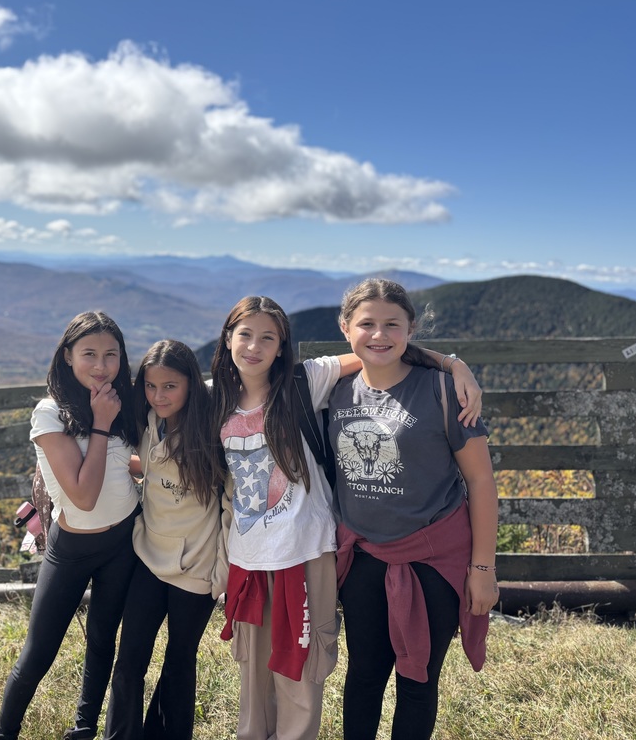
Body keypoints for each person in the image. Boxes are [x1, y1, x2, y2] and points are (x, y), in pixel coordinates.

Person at [209, 295, 481, 740]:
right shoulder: (211, 398)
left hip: (306, 549)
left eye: (268, 338)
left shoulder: (305, 382)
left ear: (283, 346)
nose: (254, 347)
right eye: (244, 335)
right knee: (256, 671)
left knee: (303, 663)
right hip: (250, 556)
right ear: (227, 338)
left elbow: (376, 347)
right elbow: (163, 403)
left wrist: (453, 364)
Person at [329, 279, 499, 740]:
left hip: (433, 559)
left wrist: (482, 567)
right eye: (366, 324)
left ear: (412, 330)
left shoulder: (445, 393)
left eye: (392, 325)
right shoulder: (335, 393)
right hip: (363, 556)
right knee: (363, 674)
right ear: (346, 328)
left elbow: (481, 481)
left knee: (418, 679)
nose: (379, 335)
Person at [0, 311, 141, 740]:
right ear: (68, 356)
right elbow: (83, 495)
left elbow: (115, 463)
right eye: (89, 353)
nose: (101, 365)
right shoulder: (50, 412)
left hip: (123, 540)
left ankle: (84, 729)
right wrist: (102, 423)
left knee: (102, 640)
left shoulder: (120, 401)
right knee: (39, 651)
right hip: (72, 546)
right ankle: (3, 732)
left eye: (111, 354)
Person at [103, 339, 227, 740]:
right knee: (129, 662)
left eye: (170, 386)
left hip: (196, 565)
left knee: (178, 664)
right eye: (152, 387)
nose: (159, 396)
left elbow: (231, 502)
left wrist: (223, 571)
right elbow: (152, 463)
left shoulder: (212, 430)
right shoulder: (149, 421)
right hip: (149, 555)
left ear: (192, 383)